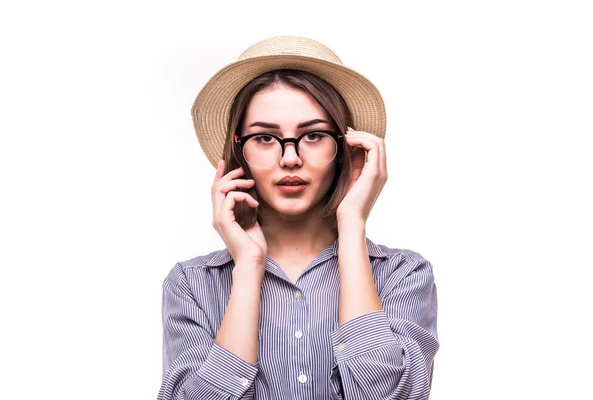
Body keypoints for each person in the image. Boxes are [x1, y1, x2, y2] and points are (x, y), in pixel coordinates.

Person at [157, 35, 439, 400]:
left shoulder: (403, 276)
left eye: (313, 135)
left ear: (345, 149)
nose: (290, 158)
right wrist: (248, 266)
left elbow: (387, 396)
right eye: (264, 138)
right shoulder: (191, 285)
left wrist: (352, 222)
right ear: (239, 151)